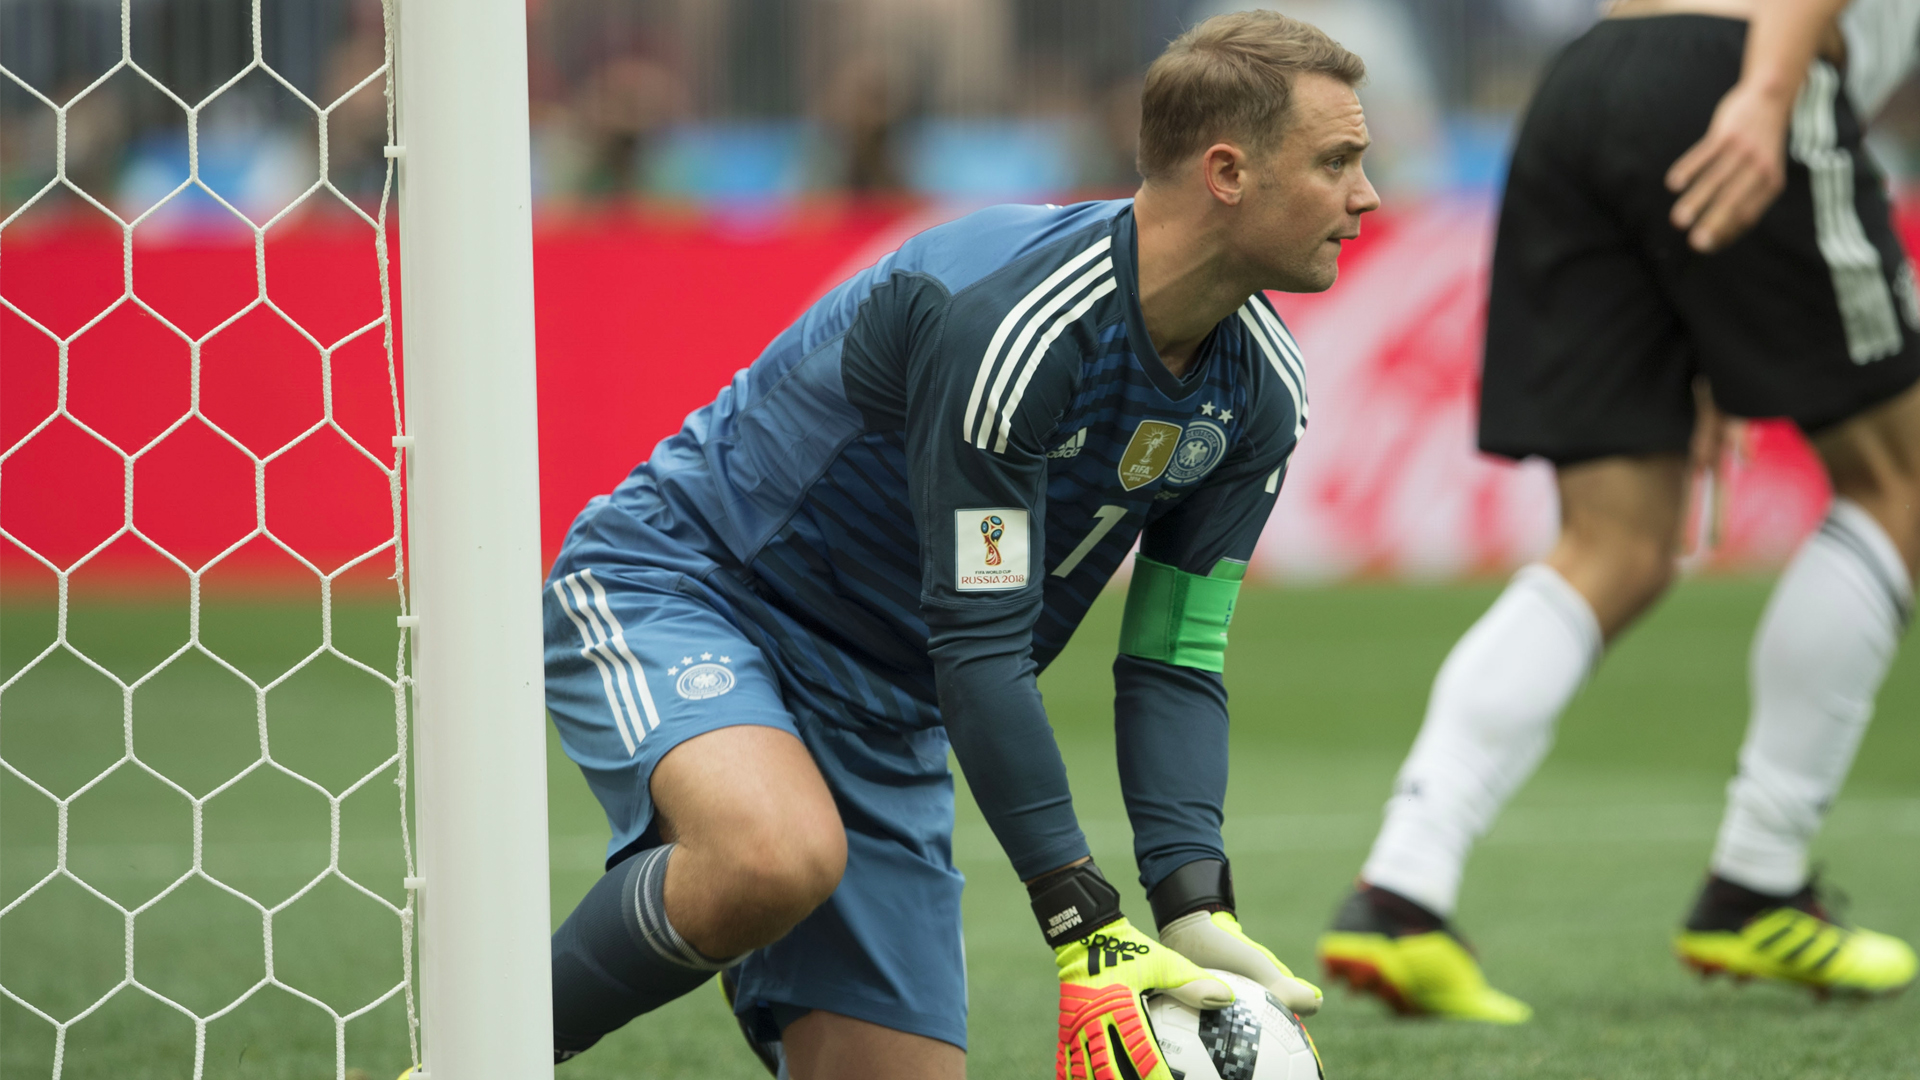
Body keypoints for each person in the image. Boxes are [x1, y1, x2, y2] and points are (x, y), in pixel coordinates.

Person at [540, 11, 1378, 1079]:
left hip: (891, 706)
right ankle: (486, 1050)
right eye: (1339, 161)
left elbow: (1175, 655)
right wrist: (1081, 911)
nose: (1368, 197)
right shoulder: (1013, 319)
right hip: (696, 585)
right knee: (770, 852)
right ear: (1227, 171)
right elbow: (980, 643)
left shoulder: (1261, 392)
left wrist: (1190, 901)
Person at [1317, 0, 1920, 1023]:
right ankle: (1758, 880)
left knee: (1616, 543)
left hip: (1586, 88)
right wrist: (1769, 92)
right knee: (1900, 482)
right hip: (1739, 69)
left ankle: (1400, 889)